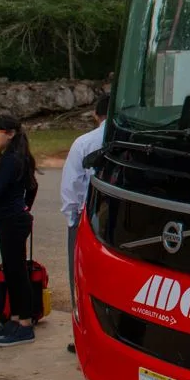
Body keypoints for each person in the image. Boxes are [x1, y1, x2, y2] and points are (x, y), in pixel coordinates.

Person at [0, 112, 38, 348]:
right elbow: (32, 186)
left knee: (17, 272)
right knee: (13, 272)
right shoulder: (13, 156)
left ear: (10, 134)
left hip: (12, 220)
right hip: (12, 219)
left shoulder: (13, 160)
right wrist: (24, 208)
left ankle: (24, 324)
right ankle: (15, 319)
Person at [60, 94, 108, 353]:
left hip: (87, 217)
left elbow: (71, 185)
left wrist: (72, 219)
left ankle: (83, 334)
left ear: (95, 115)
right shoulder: (129, 139)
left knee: (80, 276)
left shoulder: (85, 142)